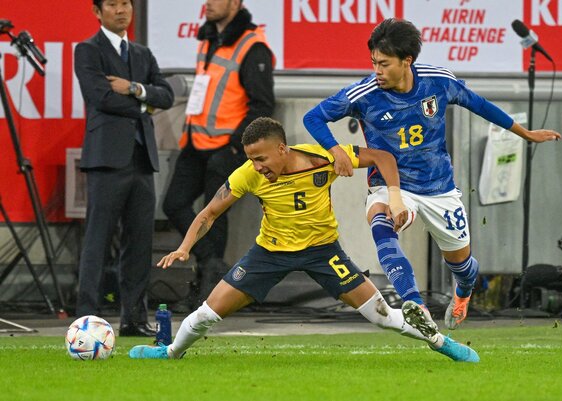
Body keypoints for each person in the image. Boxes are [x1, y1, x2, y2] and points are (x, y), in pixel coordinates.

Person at [129, 117, 479, 362]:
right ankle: (171, 352)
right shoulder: (248, 174)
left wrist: (395, 194)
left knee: (383, 314)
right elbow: (207, 214)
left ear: (282, 148)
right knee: (207, 313)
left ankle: (441, 342)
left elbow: (383, 157)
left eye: (262, 158)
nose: (257, 166)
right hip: (269, 253)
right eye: (252, 159)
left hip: (323, 253)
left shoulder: (322, 157)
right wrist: (184, 247)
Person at [303, 19, 561, 330]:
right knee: (381, 220)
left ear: (406, 61)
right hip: (391, 183)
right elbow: (313, 117)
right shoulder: (363, 94)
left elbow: (479, 104)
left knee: (463, 266)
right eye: (374, 62)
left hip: (439, 188)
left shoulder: (438, 82)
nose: (377, 71)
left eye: (384, 64)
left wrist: (525, 133)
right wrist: (335, 149)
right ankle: (416, 304)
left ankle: (463, 292)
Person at [162, 0, 275, 304]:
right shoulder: (208, 37)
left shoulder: (253, 46)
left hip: (227, 147)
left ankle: (208, 288)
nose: (207, 3)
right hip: (196, 143)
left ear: (236, 3)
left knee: (216, 216)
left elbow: (262, 105)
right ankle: (212, 263)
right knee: (174, 204)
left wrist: (236, 147)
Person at [74, 0, 174, 336]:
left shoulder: (143, 54)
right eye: (113, 4)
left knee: (139, 243)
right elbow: (100, 97)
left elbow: (167, 95)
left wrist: (134, 89)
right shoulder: (87, 51)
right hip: (106, 159)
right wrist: (145, 105)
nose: (122, 10)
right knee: (97, 241)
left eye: (126, 4)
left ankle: (133, 319)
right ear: (97, 11)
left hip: (142, 159)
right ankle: (86, 320)